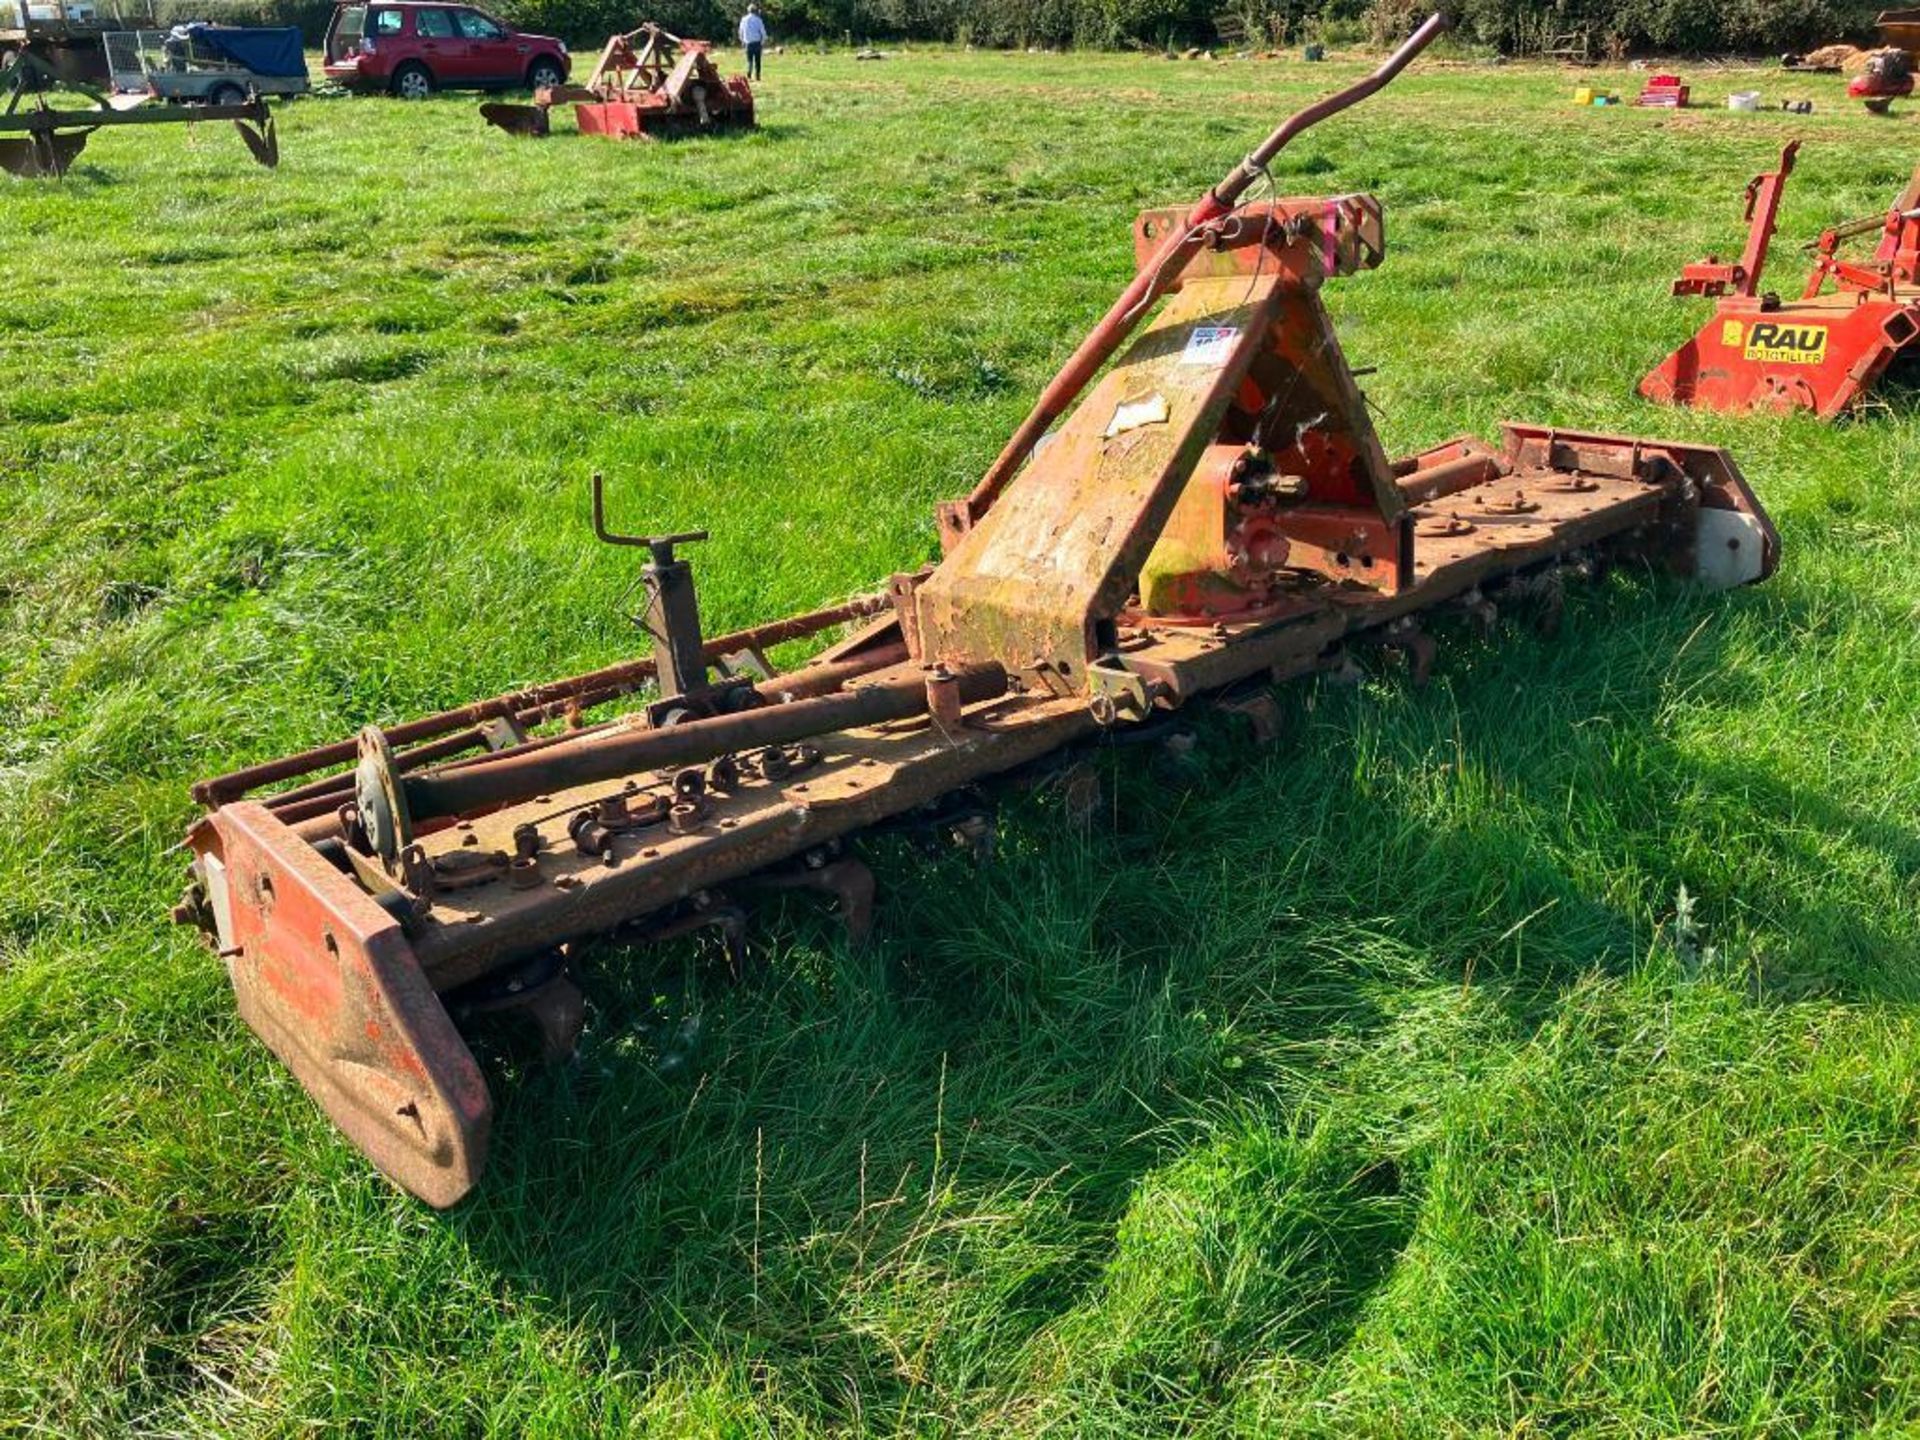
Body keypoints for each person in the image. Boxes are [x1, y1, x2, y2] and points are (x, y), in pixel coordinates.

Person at [739, 3, 766, 81]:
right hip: (757, 43)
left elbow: (740, 31)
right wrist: (762, 42)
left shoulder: (744, 19)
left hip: (748, 43)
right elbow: (763, 32)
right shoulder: (758, 20)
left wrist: (742, 41)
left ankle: (749, 75)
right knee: (758, 61)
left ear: (748, 11)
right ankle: (757, 76)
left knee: (749, 60)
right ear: (755, 11)